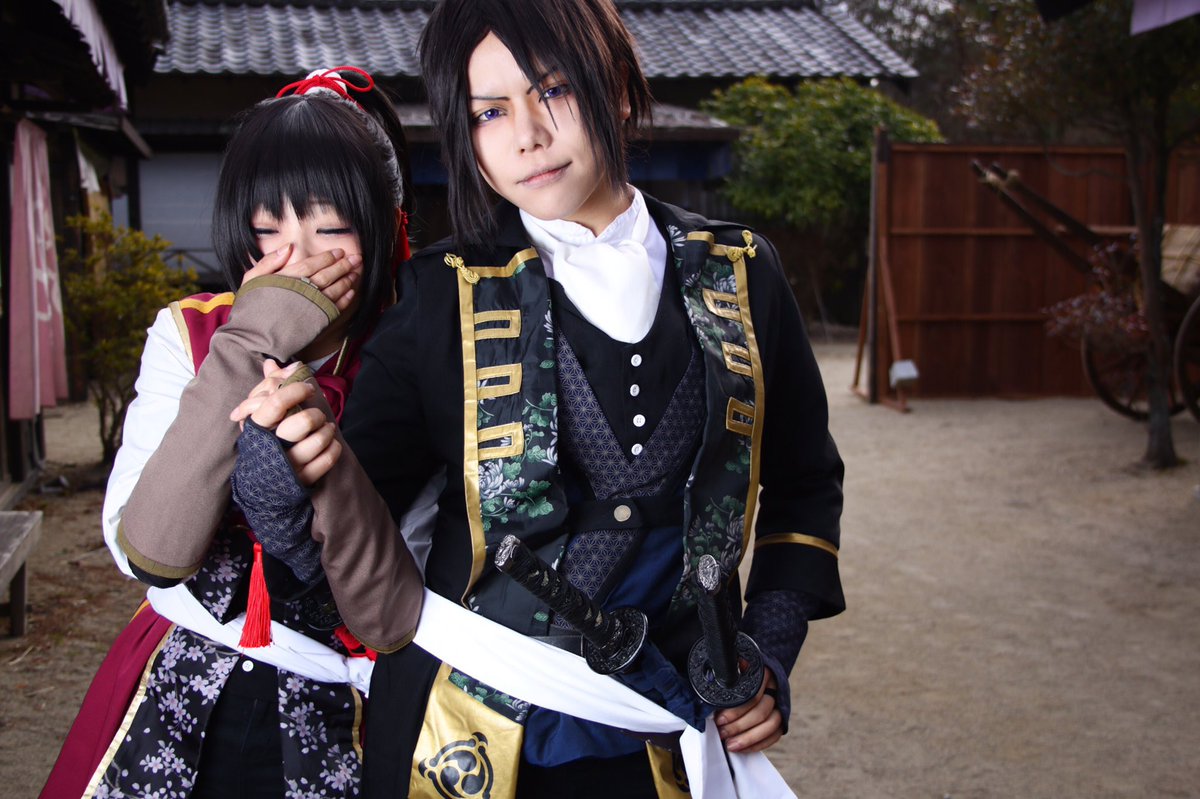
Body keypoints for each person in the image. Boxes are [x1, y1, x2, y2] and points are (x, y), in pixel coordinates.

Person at [232, 1, 845, 796]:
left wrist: (766, 647)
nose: (526, 134)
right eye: (488, 112)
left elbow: (804, 483)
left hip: (669, 724)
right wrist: (280, 467)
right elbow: (353, 521)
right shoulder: (437, 297)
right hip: (459, 726)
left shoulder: (742, 272)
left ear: (616, 88)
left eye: (554, 91)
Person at [39, 67, 424, 799]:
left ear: (385, 225)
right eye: (268, 231)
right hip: (178, 674)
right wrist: (249, 341)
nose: (297, 258)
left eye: (331, 229)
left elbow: (393, 611)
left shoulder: (412, 358)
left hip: (343, 705)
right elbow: (144, 549)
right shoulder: (189, 332)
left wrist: (327, 474)